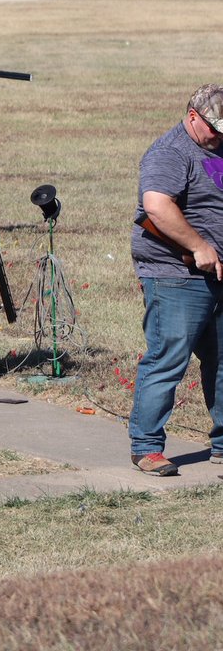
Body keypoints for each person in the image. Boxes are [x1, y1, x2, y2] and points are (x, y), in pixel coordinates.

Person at [128, 84, 223, 476]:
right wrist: (199, 245)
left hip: (215, 274)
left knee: (222, 361)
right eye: (214, 128)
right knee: (168, 359)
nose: (219, 136)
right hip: (176, 275)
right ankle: (147, 446)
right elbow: (156, 206)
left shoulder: (216, 147)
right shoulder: (171, 152)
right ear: (192, 117)